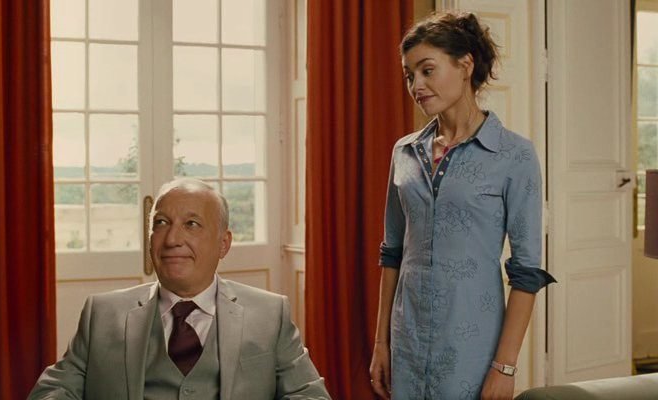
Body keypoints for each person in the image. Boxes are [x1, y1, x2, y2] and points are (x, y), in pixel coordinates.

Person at [368, 12, 556, 400]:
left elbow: (526, 272)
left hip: (472, 348)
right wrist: (381, 343)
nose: (416, 86)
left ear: (465, 65)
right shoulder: (404, 152)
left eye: (427, 70)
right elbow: (392, 252)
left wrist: (505, 366)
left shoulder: (514, 155)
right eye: (409, 76)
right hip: (407, 342)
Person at [29, 178, 330, 400]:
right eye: (161, 223)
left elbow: (310, 395)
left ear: (223, 243)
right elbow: (53, 391)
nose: (172, 239)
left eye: (192, 224)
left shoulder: (269, 314)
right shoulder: (102, 314)